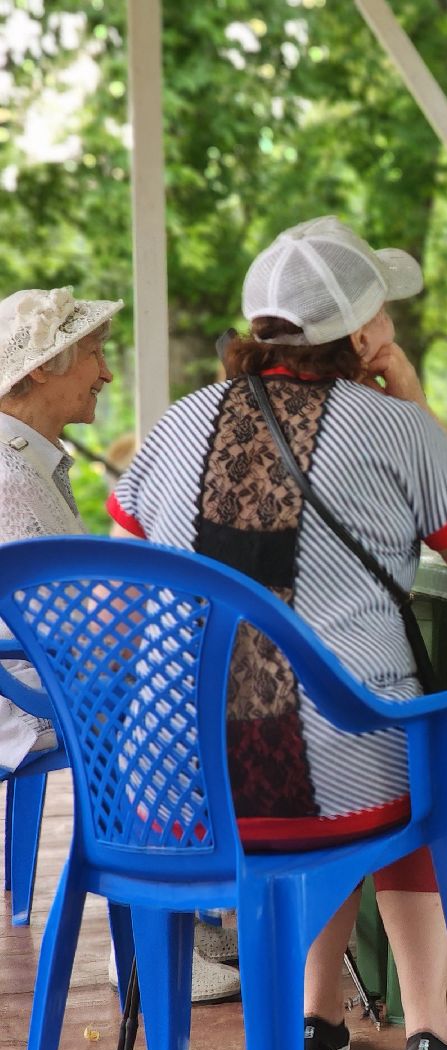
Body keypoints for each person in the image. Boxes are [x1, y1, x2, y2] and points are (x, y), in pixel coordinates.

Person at [107, 216, 447, 1050]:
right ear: (364, 331)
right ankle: (429, 1033)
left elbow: (133, 542)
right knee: (402, 748)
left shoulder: (176, 426)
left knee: (321, 725)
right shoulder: (392, 426)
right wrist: (408, 390)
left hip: (167, 783)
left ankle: (314, 1020)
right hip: (324, 778)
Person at [0, 287, 245, 1001]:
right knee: (195, 698)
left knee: (190, 675)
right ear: (43, 368)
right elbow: (67, 630)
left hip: (39, 675)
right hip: (32, 693)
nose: (106, 373)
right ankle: (148, 939)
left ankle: (183, 912)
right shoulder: (12, 481)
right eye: (96, 356)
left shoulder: (25, 462)